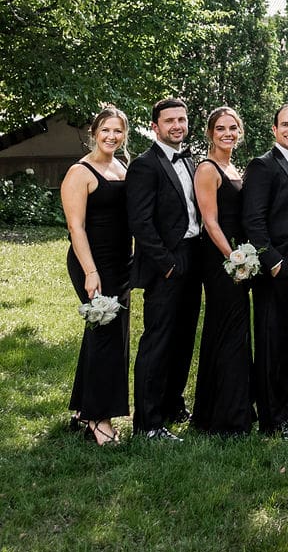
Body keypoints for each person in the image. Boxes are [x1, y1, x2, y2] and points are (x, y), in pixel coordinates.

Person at [125, 95, 203, 440]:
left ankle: (173, 404)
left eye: (181, 120)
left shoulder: (190, 161)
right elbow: (140, 222)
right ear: (155, 126)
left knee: (184, 337)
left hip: (193, 256)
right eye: (170, 121)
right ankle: (148, 422)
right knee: (158, 339)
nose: (177, 126)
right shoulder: (145, 164)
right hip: (166, 263)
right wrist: (167, 265)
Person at [60, 105, 131, 446]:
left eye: (118, 131)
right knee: (106, 337)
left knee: (102, 335)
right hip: (92, 263)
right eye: (106, 130)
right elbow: (76, 227)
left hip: (120, 263)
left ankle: (82, 409)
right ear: (94, 132)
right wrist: (91, 272)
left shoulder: (122, 166)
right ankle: (99, 420)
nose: (111, 136)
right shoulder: (80, 172)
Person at [242, 102, 288, 438]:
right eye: (285, 125)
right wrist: (271, 261)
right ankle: (273, 419)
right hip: (277, 263)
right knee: (271, 340)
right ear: (274, 130)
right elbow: (252, 220)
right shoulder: (262, 166)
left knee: (285, 340)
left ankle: (284, 411)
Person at [192, 106, 254, 436]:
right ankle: (223, 417)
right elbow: (209, 221)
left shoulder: (234, 167)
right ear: (210, 133)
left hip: (239, 256)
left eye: (233, 128)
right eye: (221, 128)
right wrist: (233, 257)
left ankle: (231, 407)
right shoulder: (207, 168)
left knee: (236, 331)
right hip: (220, 259)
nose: (228, 133)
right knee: (226, 329)